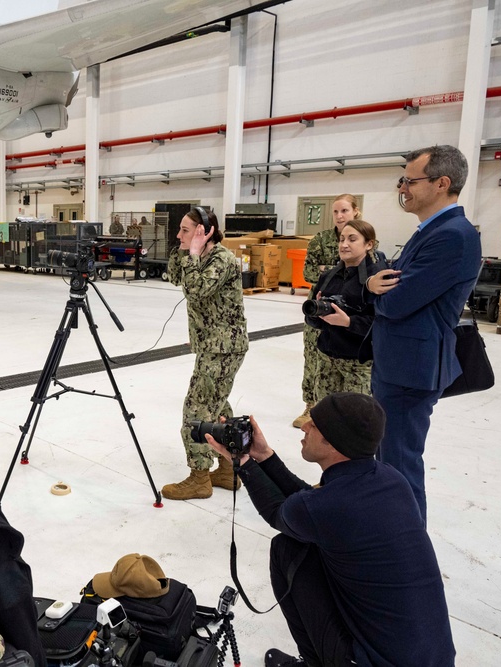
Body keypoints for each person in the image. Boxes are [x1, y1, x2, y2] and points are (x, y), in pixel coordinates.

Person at [205, 393, 455, 667]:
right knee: (309, 544)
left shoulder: (330, 506)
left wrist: (241, 463)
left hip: (374, 661)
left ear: (334, 443)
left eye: (314, 424)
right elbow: (309, 506)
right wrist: (263, 455)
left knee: (286, 549)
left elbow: (281, 512)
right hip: (433, 656)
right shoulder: (391, 479)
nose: (304, 427)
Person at [366, 145, 481, 521]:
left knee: (400, 468)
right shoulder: (430, 230)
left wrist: (375, 292)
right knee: (388, 461)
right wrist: (376, 285)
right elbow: (392, 284)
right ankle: (392, 537)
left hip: (410, 371)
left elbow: (396, 301)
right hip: (397, 365)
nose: (403, 188)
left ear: (442, 183)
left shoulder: (453, 236)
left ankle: (407, 555)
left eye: (410, 180)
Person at [161, 207, 248, 500]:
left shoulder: (221, 259)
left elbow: (197, 290)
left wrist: (194, 253)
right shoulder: (197, 256)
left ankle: (199, 477)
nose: (178, 235)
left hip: (223, 347)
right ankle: (227, 467)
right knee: (219, 407)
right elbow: (175, 277)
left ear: (205, 231)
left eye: (185, 230)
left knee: (197, 409)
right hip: (212, 344)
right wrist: (186, 249)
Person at [294, 194, 361, 428]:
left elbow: (364, 272)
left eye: (344, 211)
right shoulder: (320, 240)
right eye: (336, 212)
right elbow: (308, 273)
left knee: (345, 361)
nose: (340, 216)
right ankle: (310, 404)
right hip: (319, 312)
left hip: (350, 311)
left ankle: (339, 408)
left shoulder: (364, 237)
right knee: (313, 358)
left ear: (355, 212)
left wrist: (328, 270)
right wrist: (336, 271)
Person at [303, 220, 387, 403]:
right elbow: (311, 318)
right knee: (324, 419)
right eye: (341, 239)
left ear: (369, 244)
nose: (344, 244)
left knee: (354, 422)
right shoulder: (328, 277)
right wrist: (316, 315)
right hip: (327, 360)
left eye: (352, 239)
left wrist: (349, 322)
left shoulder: (378, 278)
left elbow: (383, 323)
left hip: (359, 365)